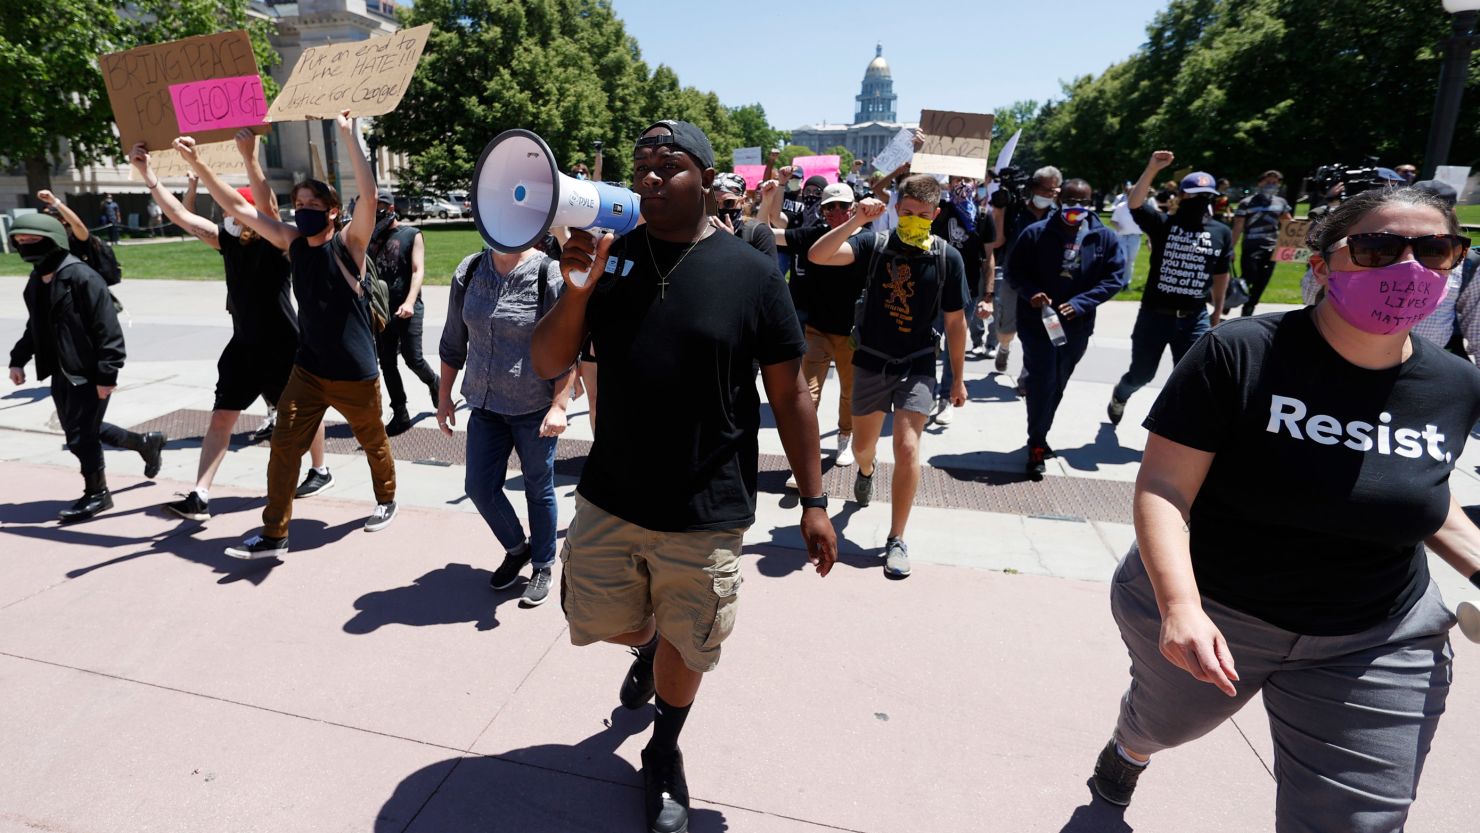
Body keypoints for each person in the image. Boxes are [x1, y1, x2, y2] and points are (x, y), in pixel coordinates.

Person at [1087, 186, 1480, 833]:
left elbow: (1423, 497)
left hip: (1376, 635)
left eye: (1434, 248)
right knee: (1166, 720)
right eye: (1379, 246)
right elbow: (1164, 487)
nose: (1408, 267)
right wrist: (1181, 607)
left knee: (1357, 822)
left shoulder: (1455, 384)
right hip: (1217, 607)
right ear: (1321, 266)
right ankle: (1130, 747)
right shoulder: (1237, 352)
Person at [530, 119, 836, 833]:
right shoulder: (607, 258)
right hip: (612, 494)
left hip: (708, 504)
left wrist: (814, 500)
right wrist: (576, 289)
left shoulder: (755, 274)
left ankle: (664, 749)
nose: (648, 177)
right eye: (641, 165)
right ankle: (648, 645)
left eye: (667, 164)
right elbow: (550, 362)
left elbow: (790, 393)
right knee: (602, 621)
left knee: (690, 641)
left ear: (706, 176)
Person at [177, 110, 398, 559]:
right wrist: (200, 165)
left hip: (355, 371)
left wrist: (347, 132)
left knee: (372, 440)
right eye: (299, 205)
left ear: (334, 212)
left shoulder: (349, 245)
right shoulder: (292, 242)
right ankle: (274, 534)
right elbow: (240, 209)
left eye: (313, 207)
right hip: (309, 370)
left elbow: (369, 195)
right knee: (283, 446)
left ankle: (386, 498)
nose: (304, 212)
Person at [130, 133, 334, 522]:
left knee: (304, 413)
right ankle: (200, 494)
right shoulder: (224, 242)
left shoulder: (279, 242)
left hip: (283, 345)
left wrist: (250, 158)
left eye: (238, 211)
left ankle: (320, 470)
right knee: (222, 416)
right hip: (243, 347)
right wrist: (148, 174)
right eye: (228, 214)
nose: (232, 218)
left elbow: (267, 204)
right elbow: (180, 216)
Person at [810, 174, 968, 579]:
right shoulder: (876, 244)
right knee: (864, 448)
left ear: (935, 214)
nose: (914, 219)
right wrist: (855, 221)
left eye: (923, 215)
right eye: (908, 212)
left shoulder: (947, 257)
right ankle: (865, 472)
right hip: (871, 361)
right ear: (898, 209)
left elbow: (955, 322)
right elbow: (819, 255)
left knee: (908, 447)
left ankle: (897, 537)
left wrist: (958, 378)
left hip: (916, 364)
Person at [438, 242, 575, 608]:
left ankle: (543, 565)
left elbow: (567, 344)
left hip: (534, 407)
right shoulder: (469, 271)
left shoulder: (548, 273)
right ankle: (518, 548)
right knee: (479, 487)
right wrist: (444, 396)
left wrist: (559, 405)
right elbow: (453, 341)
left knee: (537, 487)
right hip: (484, 405)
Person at [7, 214, 166, 522]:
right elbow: (36, 325)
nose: (26, 246)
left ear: (53, 239)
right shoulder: (37, 278)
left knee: (82, 434)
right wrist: (18, 358)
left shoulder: (82, 276)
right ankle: (145, 442)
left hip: (89, 370)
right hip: (60, 369)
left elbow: (108, 330)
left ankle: (97, 494)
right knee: (79, 429)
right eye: (21, 242)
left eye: (33, 241)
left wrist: (107, 373)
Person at [1007, 179, 1128, 477]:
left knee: (1058, 381)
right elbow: (1014, 271)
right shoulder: (1036, 233)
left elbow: (1115, 279)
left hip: (1076, 324)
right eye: (1072, 201)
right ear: (1060, 200)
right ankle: (1036, 443)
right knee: (1042, 380)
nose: (1078, 208)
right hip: (1038, 322)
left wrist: (1083, 303)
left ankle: (1041, 430)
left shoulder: (1104, 238)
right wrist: (1031, 292)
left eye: (1084, 203)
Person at [1106, 152, 1232, 427]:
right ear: (1182, 196)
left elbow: (1221, 274)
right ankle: (1121, 394)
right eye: (1194, 195)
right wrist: (1152, 168)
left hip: (1194, 317)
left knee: (1191, 377)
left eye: (1206, 196)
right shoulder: (1164, 224)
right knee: (1141, 375)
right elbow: (1135, 204)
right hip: (1155, 315)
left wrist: (1218, 311)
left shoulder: (1221, 232)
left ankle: (1172, 429)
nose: (1200, 201)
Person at [764, 180, 867, 472]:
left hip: (852, 334)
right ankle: (804, 460)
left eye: (842, 206)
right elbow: (770, 234)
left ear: (853, 208)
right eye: (829, 207)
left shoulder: (868, 240)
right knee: (807, 394)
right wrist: (769, 197)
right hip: (817, 329)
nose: (836, 212)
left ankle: (845, 438)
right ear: (821, 210)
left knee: (849, 391)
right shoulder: (816, 235)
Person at [369, 190, 440, 437]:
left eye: (380, 207)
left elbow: (418, 271)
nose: (376, 211)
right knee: (387, 362)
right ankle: (400, 412)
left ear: (391, 208)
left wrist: (410, 301)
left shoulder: (411, 234)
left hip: (409, 306)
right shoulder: (372, 237)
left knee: (413, 359)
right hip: (382, 309)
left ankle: (434, 382)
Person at [932, 174, 995, 423]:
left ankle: (947, 396)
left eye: (968, 179)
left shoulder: (982, 217)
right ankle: (926, 392)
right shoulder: (940, 211)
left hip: (965, 292)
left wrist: (988, 295)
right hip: (935, 288)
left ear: (977, 183)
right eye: (958, 179)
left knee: (953, 347)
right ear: (948, 184)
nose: (963, 184)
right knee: (928, 343)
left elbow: (989, 258)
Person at [991, 165, 1061, 384]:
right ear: (1033, 187)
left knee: (1043, 333)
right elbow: (998, 241)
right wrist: (999, 211)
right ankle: (1004, 347)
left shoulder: (1059, 214)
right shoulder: (1016, 210)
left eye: (1053, 190)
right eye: (1044, 189)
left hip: (1046, 282)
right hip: (1014, 277)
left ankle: (1027, 376)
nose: (1048, 195)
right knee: (1005, 326)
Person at [1231, 170, 1293, 317]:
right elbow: (1238, 226)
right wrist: (1231, 248)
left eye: (1274, 182)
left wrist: (1292, 247)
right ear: (1260, 183)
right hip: (1251, 247)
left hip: (1271, 248)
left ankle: (1249, 308)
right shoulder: (1246, 203)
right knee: (1249, 276)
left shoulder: (1281, 203)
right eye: (1268, 181)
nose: (1271, 185)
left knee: (1262, 281)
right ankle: (1232, 297)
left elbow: (1288, 224)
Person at [710, 171, 776, 258]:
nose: (720, 208)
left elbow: (768, 270)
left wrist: (731, 243)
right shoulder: (702, 230)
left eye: (728, 202)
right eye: (714, 203)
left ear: (742, 201)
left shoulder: (759, 233)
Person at [1110, 182, 1150, 265]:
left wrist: (1149, 240)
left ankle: (1127, 278)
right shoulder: (1121, 206)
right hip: (1121, 237)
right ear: (1128, 195)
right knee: (1122, 259)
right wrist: (1118, 227)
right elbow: (1113, 221)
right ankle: (1119, 277)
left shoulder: (1144, 208)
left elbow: (1148, 225)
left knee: (1130, 261)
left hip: (1135, 237)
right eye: (1132, 194)